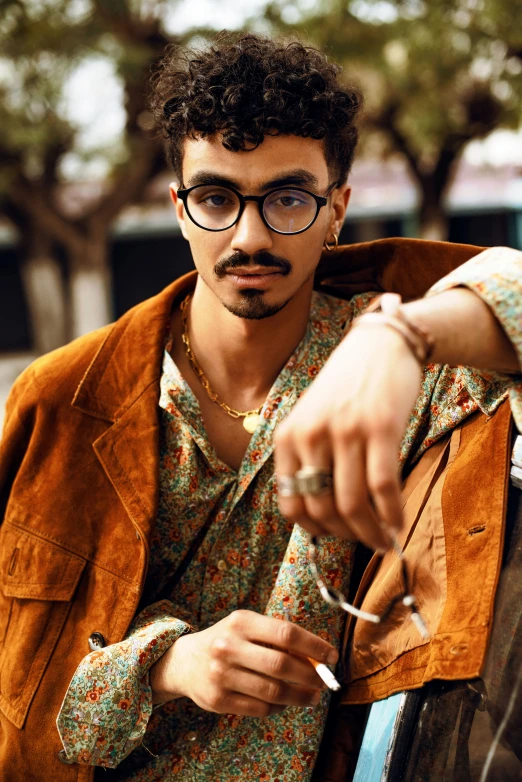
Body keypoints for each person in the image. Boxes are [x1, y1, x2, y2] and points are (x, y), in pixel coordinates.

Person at [0, 32, 520, 782]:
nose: (249, 237)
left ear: (336, 208)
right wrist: (168, 664)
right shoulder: (62, 401)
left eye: (287, 199)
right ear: (179, 209)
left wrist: (401, 338)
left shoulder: (409, 376)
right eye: (216, 197)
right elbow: (20, 690)